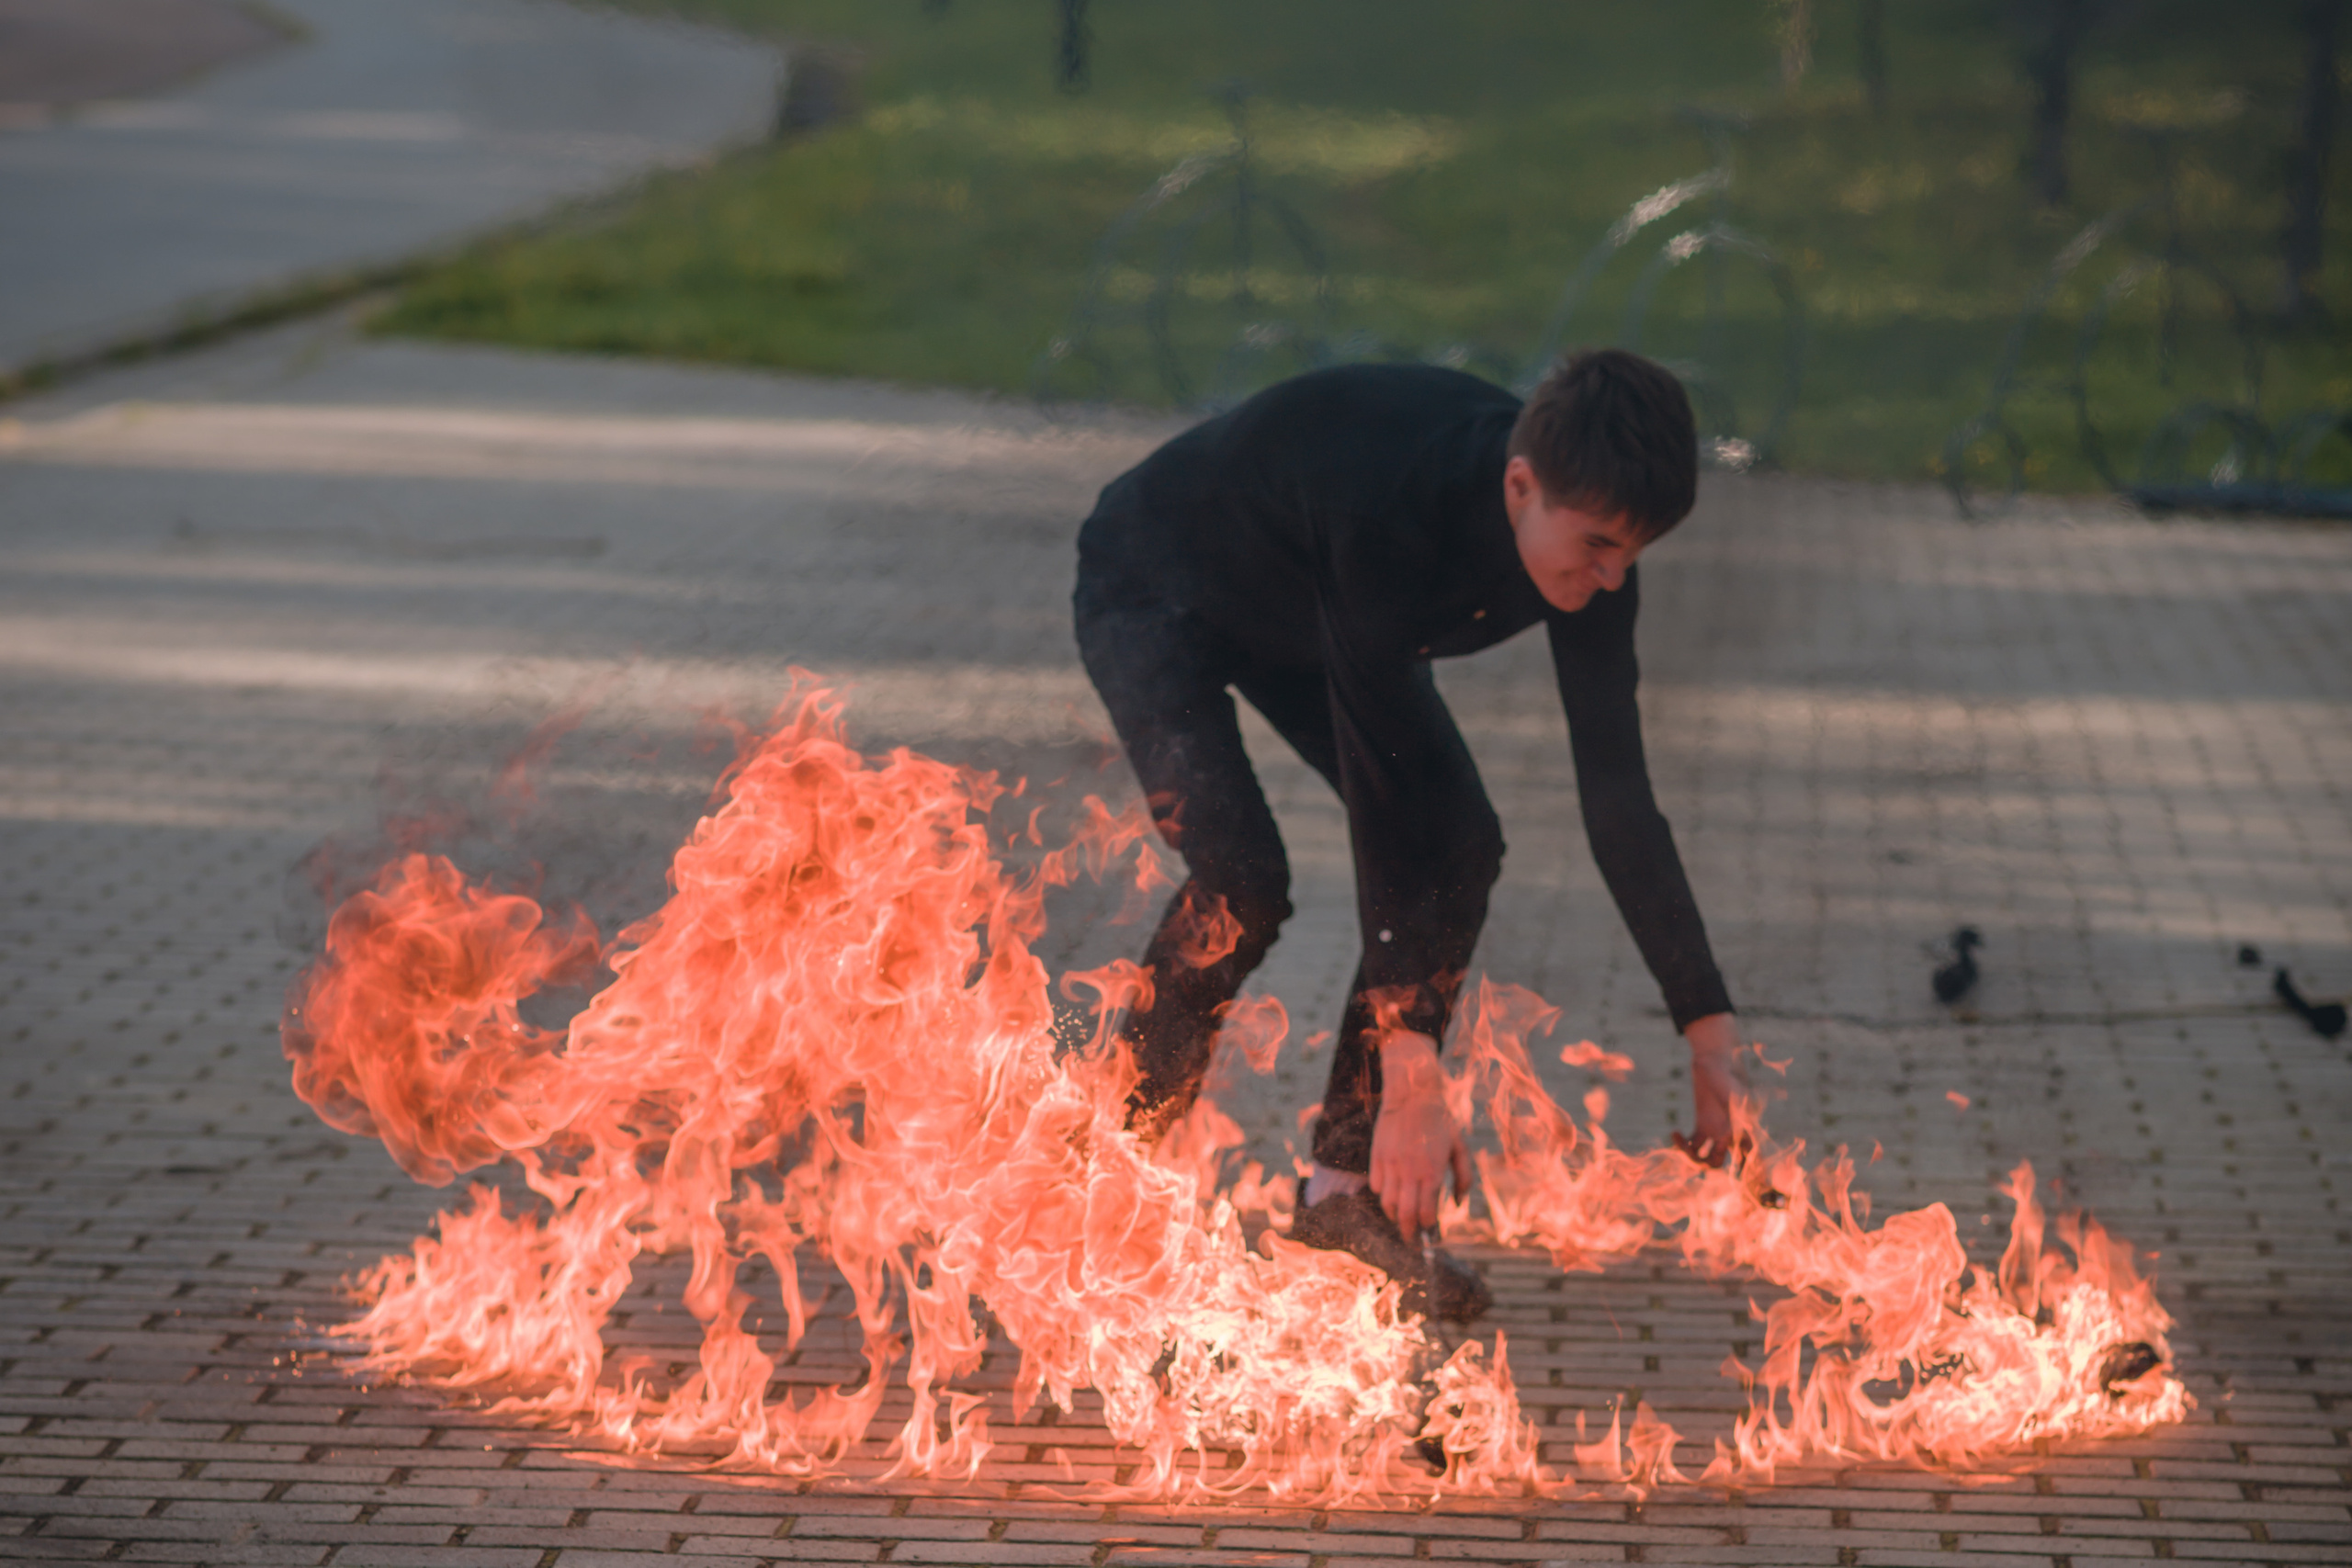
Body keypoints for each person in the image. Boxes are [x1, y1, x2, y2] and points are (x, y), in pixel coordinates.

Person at [1071, 349, 1740, 1322]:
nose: (1609, 578)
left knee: (1462, 840)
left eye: (1630, 556)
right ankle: (1104, 1167)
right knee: (1244, 879)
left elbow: (1618, 800)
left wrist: (1708, 1031)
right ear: (1521, 486)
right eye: (1596, 546)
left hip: (1303, 613)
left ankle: (1343, 1202)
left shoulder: (1595, 546)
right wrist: (1412, 1071)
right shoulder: (1392, 513)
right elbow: (1386, 815)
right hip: (1152, 583)